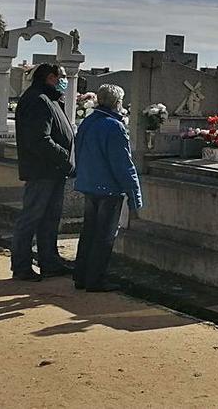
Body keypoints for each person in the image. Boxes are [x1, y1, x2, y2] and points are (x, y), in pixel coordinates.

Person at [72, 84, 142, 292]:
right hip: (109, 188)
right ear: (117, 103)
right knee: (104, 236)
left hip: (89, 184)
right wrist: (134, 195)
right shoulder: (115, 127)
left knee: (88, 232)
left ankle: (81, 275)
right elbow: (123, 164)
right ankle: (95, 279)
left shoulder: (87, 122)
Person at [12, 63, 75, 281]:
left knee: (49, 219)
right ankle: (21, 266)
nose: (65, 81)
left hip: (53, 171)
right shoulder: (37, 100)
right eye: (62, 76)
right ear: (51, 77)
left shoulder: (50, 99)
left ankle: (49, 262)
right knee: (31, 218)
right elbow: (39, 139)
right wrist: (64, 157)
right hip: (42, 171)